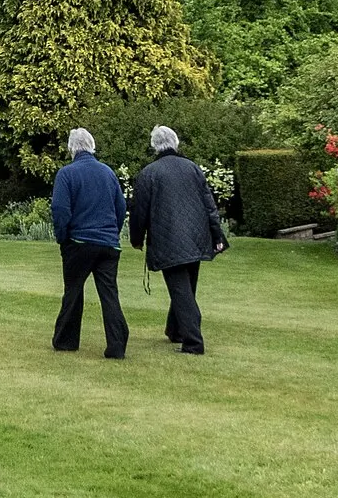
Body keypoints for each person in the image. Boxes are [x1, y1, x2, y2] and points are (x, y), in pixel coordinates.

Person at [129, 125, 228, 355]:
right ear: (175, 143)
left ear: (154, 146)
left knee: (181, 291)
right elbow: (209, 205)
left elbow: (139, 211)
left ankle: (193, 342)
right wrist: (217, 235)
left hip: (167, 240)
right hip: (196, 237)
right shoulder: (192, 168)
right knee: (186, 288)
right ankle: (175, 331)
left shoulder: (149, 173)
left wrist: (137, 238)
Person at [49, 127, 130, 358]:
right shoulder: (107, 172)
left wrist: (62, 237)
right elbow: (121, 207)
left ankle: (66, 340)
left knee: (73, 291)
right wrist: (113, 231)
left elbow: (60, 209)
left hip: (79, 241)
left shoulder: (67, 174)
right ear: (92, 146)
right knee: (109, 294)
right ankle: (117, 345)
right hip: (108, 243)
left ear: (71, 149)